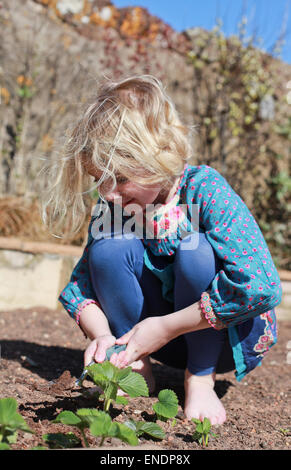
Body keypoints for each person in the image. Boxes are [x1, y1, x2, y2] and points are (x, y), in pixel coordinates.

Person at [42, 74, 282, 425]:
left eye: (121, 178)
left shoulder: (204, 190)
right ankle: (134, 366)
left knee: (195, 249)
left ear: (161, 155)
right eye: (101, 180)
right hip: (148, 338)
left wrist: (166, 327)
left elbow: (260, 286)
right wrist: (103, 336)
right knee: (108, 248)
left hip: (221, 339)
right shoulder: (115, 207)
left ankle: (199, 378)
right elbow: (81, 287)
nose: (108, 193)